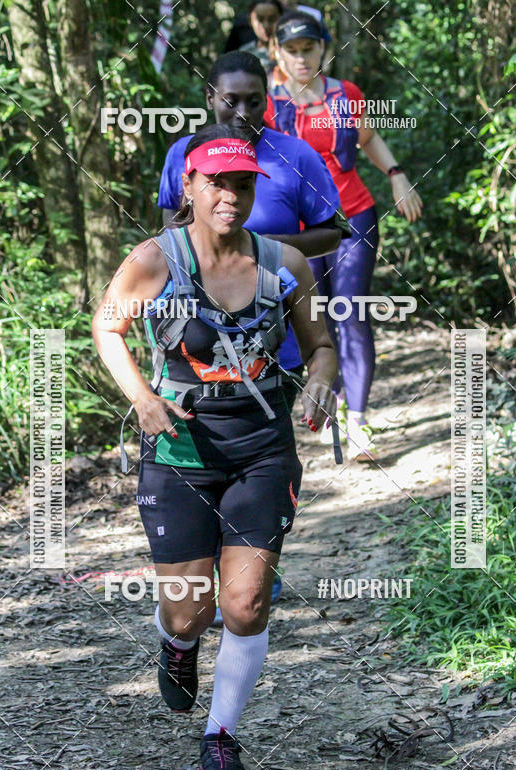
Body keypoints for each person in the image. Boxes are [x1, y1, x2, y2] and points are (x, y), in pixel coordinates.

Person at [93, 124, 338, 770]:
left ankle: (221, 737)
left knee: (247, 602)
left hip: (262, 449)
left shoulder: (284, 263)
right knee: (188, 609)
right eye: (218, 182)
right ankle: (177, 644)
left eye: (243, 183)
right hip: (178, 449)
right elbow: (107, 326)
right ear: (191, 186)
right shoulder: (155, 259)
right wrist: (142, 397)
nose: (231, 194)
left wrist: (321, 377)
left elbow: (320, 343)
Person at [158, 51, 343, 610]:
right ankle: (209, 571)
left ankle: (251, 569)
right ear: (209, 97)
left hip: (273, 345)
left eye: (253, 100)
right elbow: (167, 225)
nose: (241, 110)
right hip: (194, 340)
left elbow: (334, 231)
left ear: (270, 98)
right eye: (228, 99)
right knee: (200, 447)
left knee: (258, 453)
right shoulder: (181, 154)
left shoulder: (296, 156)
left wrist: (264, 255)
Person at [267, 11, 423, 458]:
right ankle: (327, 397)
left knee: (350, 313)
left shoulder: (346, 95)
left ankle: (358, 422)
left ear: (323, 48)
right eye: (291, 51)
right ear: (278, 53)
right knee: (312, 320)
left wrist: (395, 173)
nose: (301, 59)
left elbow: (368, 138)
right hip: (299, 230)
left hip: (354, 216)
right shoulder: (268, 103)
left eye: (308, 49)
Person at [238, 0, 283, 74]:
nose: (266, 26)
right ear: (250, 20)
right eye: (260, 19)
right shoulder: (245, 53)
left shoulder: (290, 49)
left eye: (272, 19)